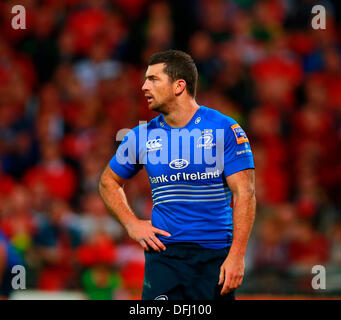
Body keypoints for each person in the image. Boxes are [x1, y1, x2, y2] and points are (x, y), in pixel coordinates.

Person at [99, 50, 256, 300]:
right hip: (164, 257)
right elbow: (108, 181)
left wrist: (237, 255)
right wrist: (131, 224)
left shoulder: (224, 128)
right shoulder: (141, 136)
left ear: (179, 86)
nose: (143, 87)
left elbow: (245, 193)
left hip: (214, 256)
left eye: (153, 79)